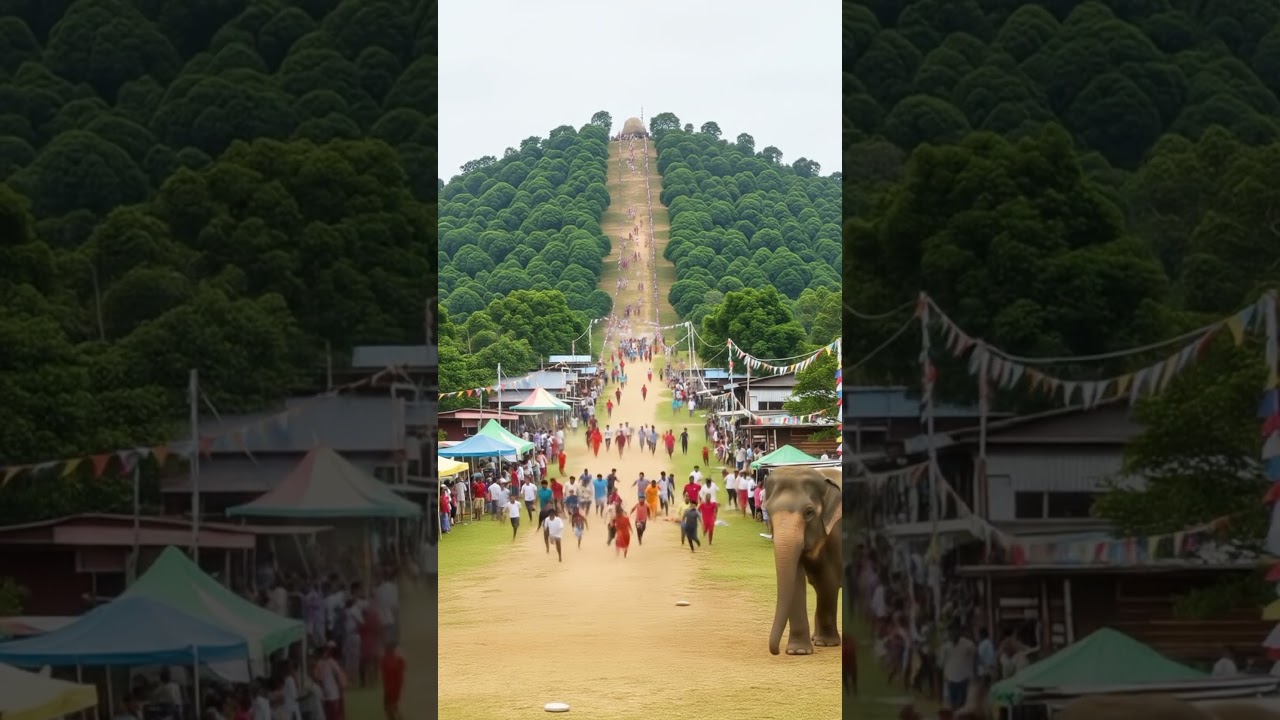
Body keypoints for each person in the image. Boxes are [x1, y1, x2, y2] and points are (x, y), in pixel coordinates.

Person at [941, 626, 976, 711]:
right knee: (952, 702)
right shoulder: (946, 647)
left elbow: (975, 658)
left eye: (954, 632)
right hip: (951, 678)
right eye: (951, 633)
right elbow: (942, 662)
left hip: (964, 678)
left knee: (962, 702)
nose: (952, 635)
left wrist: (974, 673)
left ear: (959, 633)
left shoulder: (968, 645)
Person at [316, 643, 346, 720]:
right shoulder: (323, 663)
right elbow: (320, 680)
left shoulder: (331, 663)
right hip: (330, 695)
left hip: (333, 694)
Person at [381, 642, 405, 720]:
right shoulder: (399, 660)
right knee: (392, 706)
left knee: (389, 706)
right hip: (395, 687)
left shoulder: (386, 660)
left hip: (390, 688)